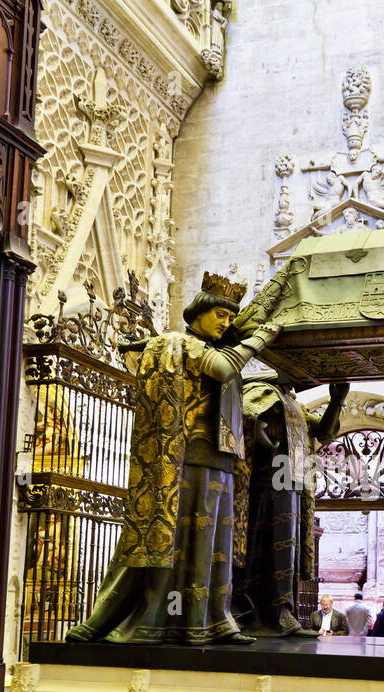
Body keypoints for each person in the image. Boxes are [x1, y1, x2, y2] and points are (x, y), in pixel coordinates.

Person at [66, 272, 273, 644]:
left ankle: (213, 619)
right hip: (185, 461)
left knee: (212, 550)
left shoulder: (216, 348)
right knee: (171, 545)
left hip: (222, 461)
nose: (225, 323)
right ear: (198, 312)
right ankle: (147, 620)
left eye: (230, 318)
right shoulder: (181, 343)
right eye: (220, 315)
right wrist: (260, 338)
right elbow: (223, 369)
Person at [232, 375, 348, 636]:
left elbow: (326, 432)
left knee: (288, 554)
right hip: (265, 481)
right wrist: (265, 440)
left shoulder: (295, 405)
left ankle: (284, 613)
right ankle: (257, 613)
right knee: (262, 548)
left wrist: (337, 401)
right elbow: (245, 417)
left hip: (292, 483)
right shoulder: (260, 391)